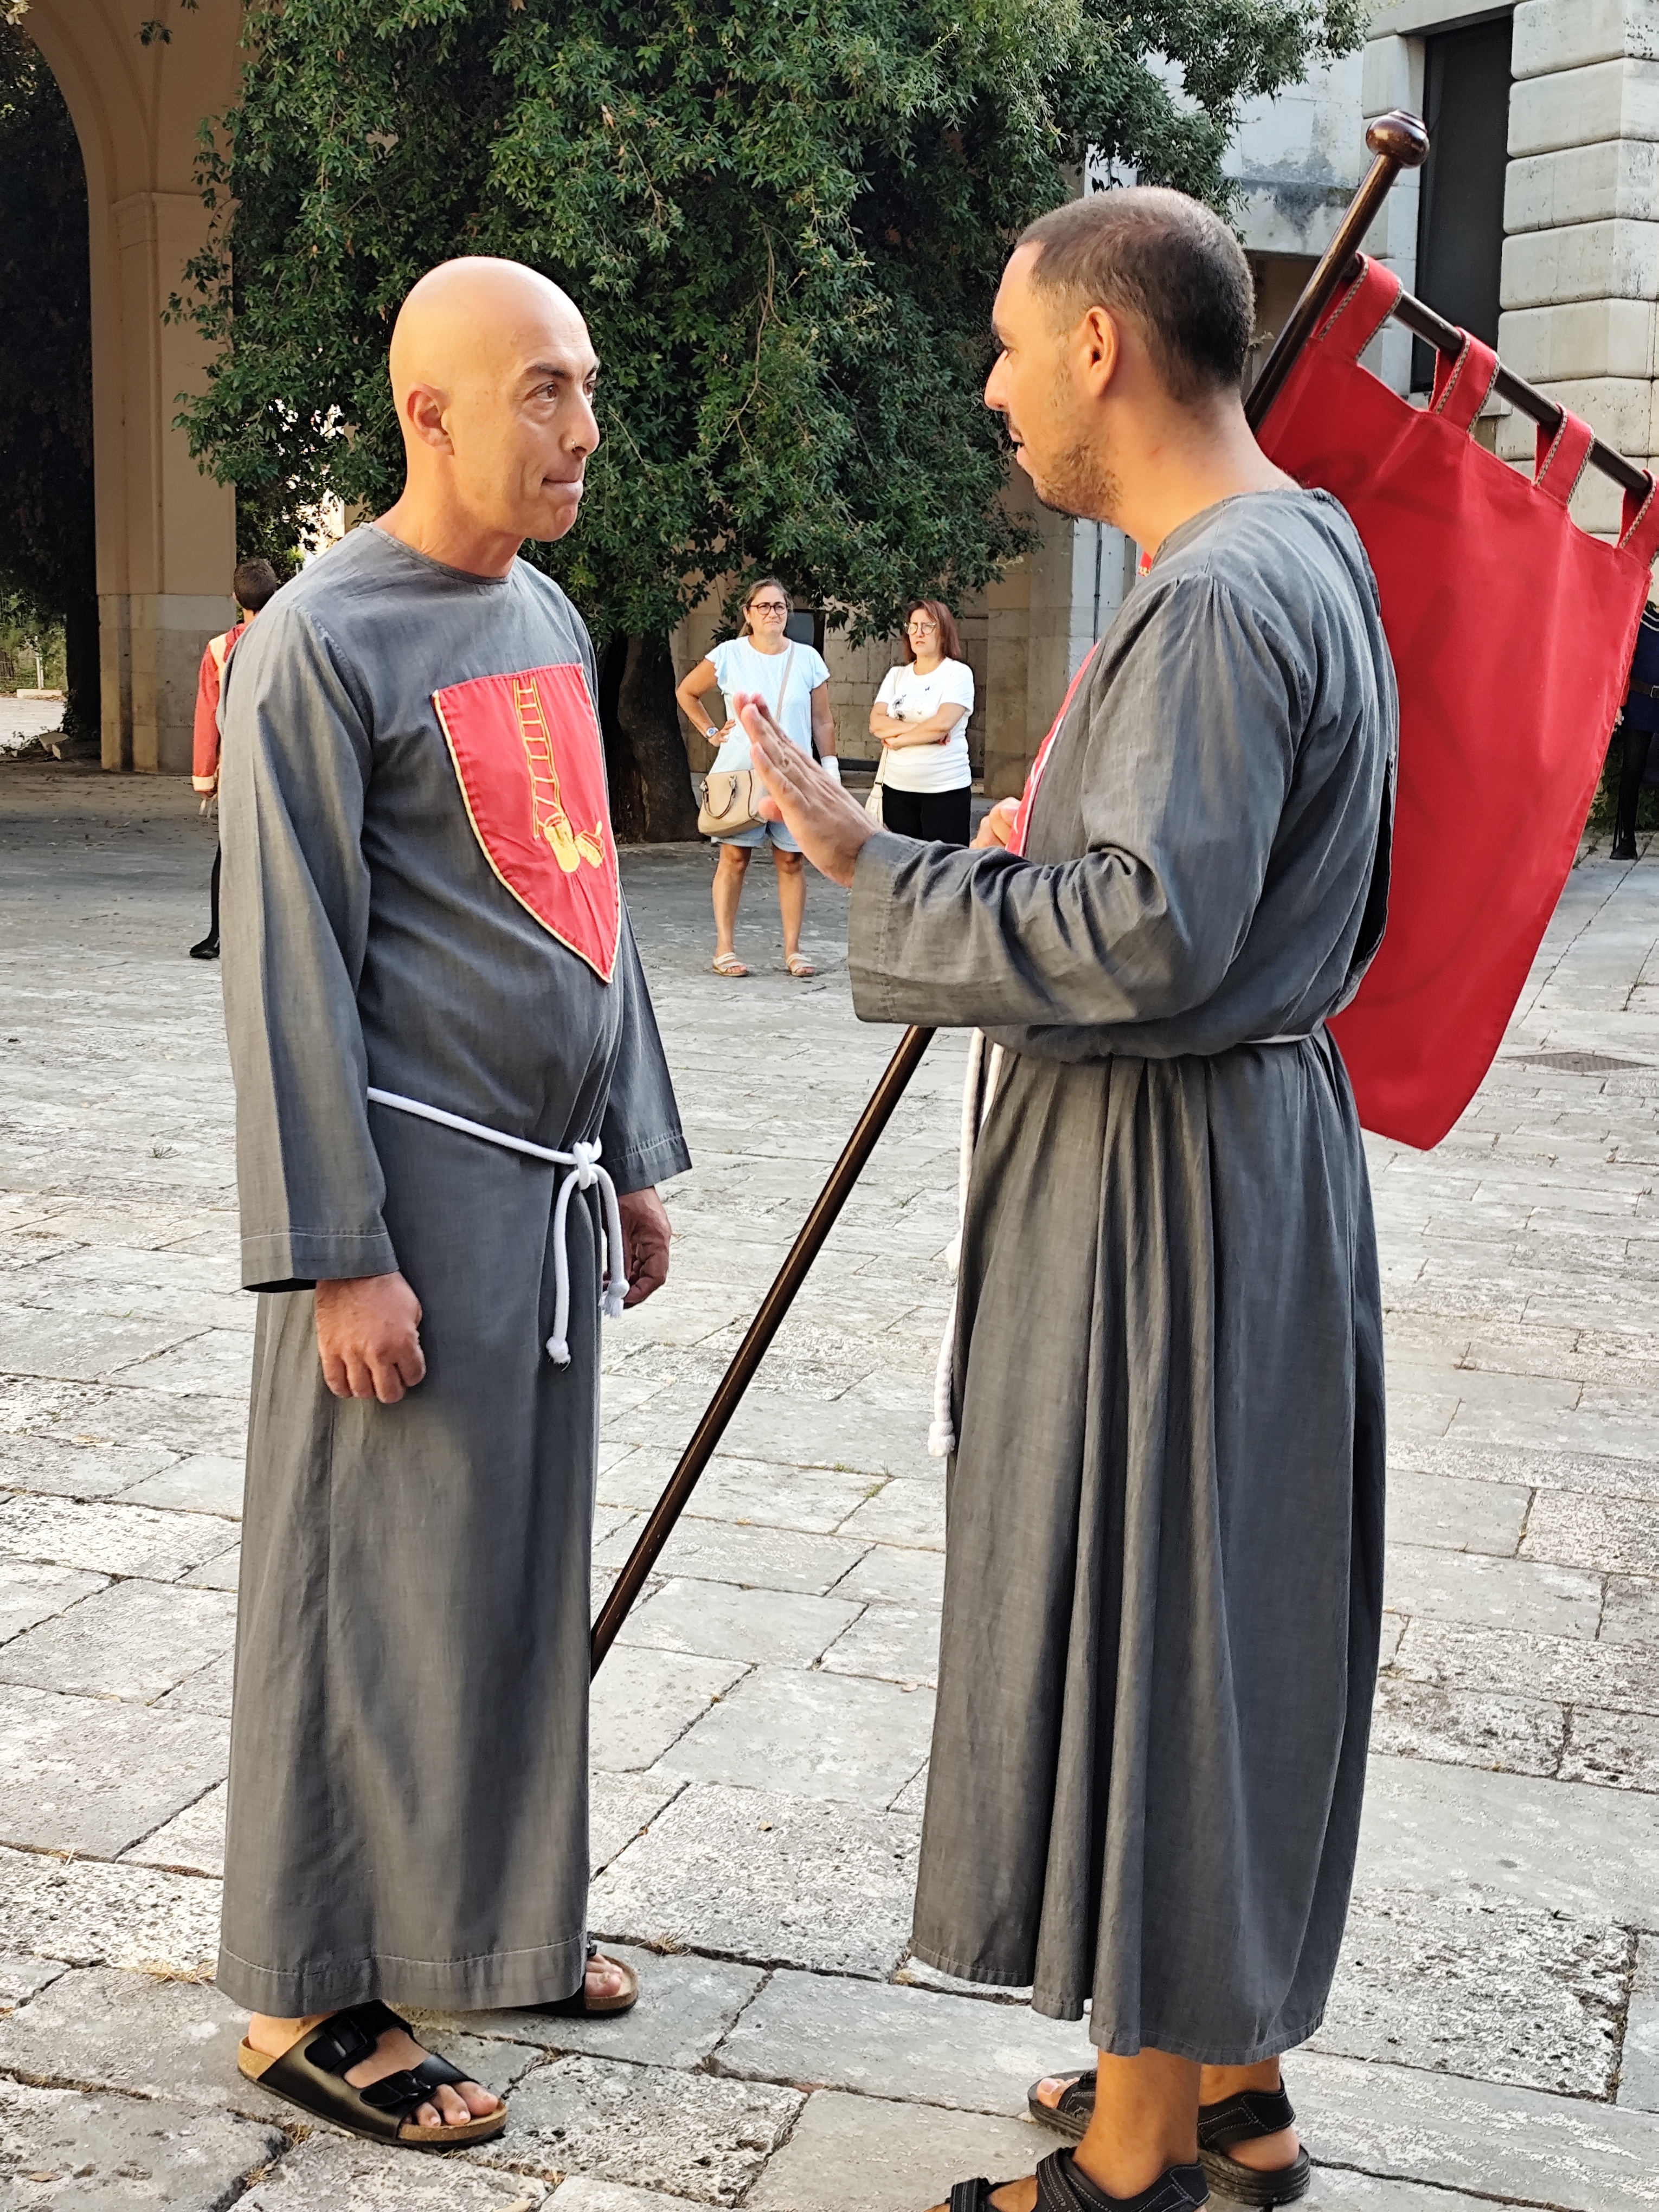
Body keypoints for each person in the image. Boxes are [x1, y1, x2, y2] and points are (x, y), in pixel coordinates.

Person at [736, 186, 1394, 2212]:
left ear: (1101, 347)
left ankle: (1137, 2154)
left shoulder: (1215, 595)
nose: (994, 388)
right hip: (1247, 1157)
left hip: (1166, 1185)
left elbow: (1151, 930)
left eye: (1014, 348)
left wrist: (873, 860)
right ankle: (1233, 2077)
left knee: (1162, 1621)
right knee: (1221, 1613)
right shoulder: (1306, 546)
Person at [216, 257, 690, 2153]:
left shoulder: (544, 612)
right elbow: (288, 970)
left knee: (503, 1579)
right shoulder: (319, 643)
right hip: (409, 1200)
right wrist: (340, 1255)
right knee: (368, 1589)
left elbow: (589, 899)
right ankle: (309, 1987)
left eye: (588, 385)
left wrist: (628, 1144)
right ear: (430, 413)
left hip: (541, 1200)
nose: (585, 428)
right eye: (545, 392)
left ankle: (485, 1921)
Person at [674, 577, 837, 976]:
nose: (772, 613)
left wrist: (830, 768)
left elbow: (822, 720)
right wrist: (711, 732)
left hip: (791, 774)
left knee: (791, 859)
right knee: (734, 857)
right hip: (740, 773)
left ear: (788, 612)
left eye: (779, 606)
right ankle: (724, 948)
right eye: (763, 606)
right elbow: (687, 692)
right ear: (748, 613)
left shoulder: (807, 659)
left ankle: (793, 950)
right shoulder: (729, 655)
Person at [188, 558, 281, 959]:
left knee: (230, 849)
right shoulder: (291, 641)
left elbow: (208, 715)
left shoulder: (219, 649)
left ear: (235, 598)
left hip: (238, 762)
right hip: (284, 758)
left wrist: (204, 776)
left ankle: (218, 935)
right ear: (275, 593)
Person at [869, 600, 975, 846]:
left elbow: (943, 723)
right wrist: (924, 732)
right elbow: (876, 723)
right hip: (896, 790)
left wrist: (899, 740)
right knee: (902, 865)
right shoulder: (897, 675)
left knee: (945, 866)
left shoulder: (957, 674)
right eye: (913, 626)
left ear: (943, 632)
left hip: (945, 790)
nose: (919, 632)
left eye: (928, 626)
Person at [1611, 597, 1659, 859]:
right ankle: (1627, 841)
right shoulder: (1638, 620)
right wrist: (1618, 703)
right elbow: (1623, 663)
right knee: (1632, 770)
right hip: (1640, 703)